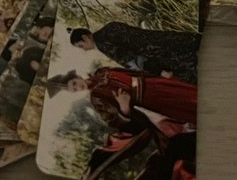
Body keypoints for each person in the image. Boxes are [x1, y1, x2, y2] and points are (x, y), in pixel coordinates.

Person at [48, 67, 197, 130]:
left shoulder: (102, 71)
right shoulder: (96, 99)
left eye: (74, 83)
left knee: (193, 93)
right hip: (152, 101)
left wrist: (159, 75)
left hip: (155, 83)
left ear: (76, 77)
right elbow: (113, 121)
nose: (78, 87)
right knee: (190, 107)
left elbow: (132, 71)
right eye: (74, 90)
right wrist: (124, 107)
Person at [70, 23, 201, 81]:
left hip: (164, 56)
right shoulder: (110, 27)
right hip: (168, 39)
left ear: (85, 37)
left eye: (81, 46)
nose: (84, 50)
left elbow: (134, 60)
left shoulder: (103, 44)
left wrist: (159, 71)